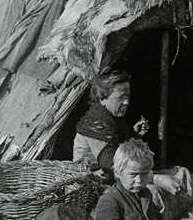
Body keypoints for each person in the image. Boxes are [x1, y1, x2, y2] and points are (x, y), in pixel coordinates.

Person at [73, 71, 184, 200]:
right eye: (121, 98)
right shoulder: (95, 124)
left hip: (126, 177)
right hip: (98, 185)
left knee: (182, 174)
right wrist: (155, 178)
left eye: (128, 97)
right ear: (102, 99)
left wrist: (136, 136)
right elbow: (113, 166)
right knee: (153, 193)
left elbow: (123, 153)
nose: (126, 102)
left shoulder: (113, 119)